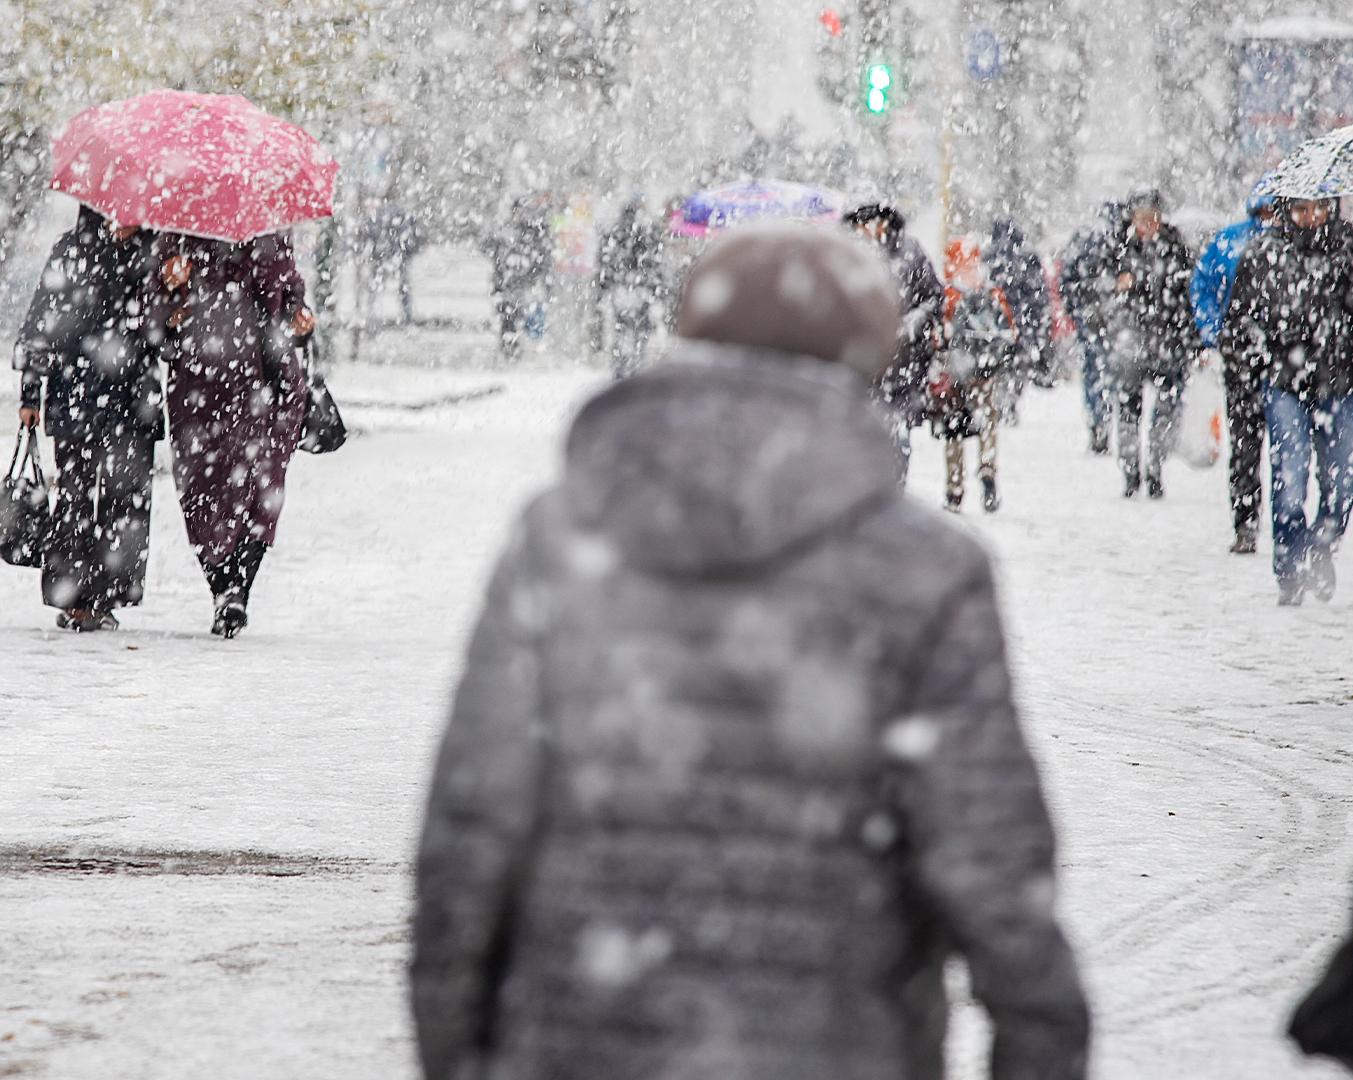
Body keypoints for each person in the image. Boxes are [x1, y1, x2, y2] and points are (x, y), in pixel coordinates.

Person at [410, 224, 1089, 1080]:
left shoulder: (560, 540)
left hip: (577, 1038)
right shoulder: (927, 573)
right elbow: (994, 871)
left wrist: (454, 1046)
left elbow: (471, 830)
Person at [1220, 197, 1353, 605]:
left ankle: (1322, 547)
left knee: (1341, 485)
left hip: (1340, 381)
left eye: (1318, 208)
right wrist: (1263, 353)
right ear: (1286, 209)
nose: (1310, 218)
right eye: (1301, 209)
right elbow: (1240, 317)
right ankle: (1290, 570)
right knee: (1289, 482)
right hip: (1285, 383)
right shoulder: (1264, 252)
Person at [152, 232, 313, 638]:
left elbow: (289, 289)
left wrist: (296, 313)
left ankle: (236, 590)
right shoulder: (178, 233)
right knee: (202, 488)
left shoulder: (269, 229)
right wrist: (171, 291)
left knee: (264, 486)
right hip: (199, 382)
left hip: (265, 379)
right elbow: (155, 311)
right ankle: (222, 586)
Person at [12, 206, 161, 633]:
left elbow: (164, 331)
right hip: (76, 394)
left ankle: (107, 596)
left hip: (131, 400)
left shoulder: (153, 252)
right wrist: (30, 391)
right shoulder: (72, 250)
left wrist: (168, 298)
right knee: (75, 498)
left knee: (124, 504)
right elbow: (41, 320)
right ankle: (75, 597)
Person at [1090, 190, 1195, 499]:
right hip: (1130, 340)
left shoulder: (1176, 249)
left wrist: (1190, 339)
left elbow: (1188, 295)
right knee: (1127, 410)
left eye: (1152, 218)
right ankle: (1130, 470)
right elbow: (1096, 291)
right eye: (1141, 218)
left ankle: (1155, 467)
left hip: (1168, 341)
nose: (1147, 224)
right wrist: (1116, 287)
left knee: (1165, 410)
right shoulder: (1117, 248)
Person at [1191, 188, 1277, 553]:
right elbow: (1202, 288)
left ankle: (1290, 522)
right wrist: (1214, 331)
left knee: (1288, 449)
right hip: (1241, 356)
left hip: (1284, 358)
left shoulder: (1294, 243)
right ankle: (1246, 523)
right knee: (1245, 445)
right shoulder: (1229, 240)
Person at [844, 202, 943, 484]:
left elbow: (933, 296)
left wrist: (913, 322)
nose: (867, 229)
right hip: (858, 368)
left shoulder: (910, 253)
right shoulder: (844, 255)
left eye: (873, 222)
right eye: (860, 223)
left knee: (898, 439)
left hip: (902, 367)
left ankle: (891, 490)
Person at [934, 237, 1018, 512]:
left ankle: (954, 489)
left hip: (956, 371)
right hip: (986, 370)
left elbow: (939, 335)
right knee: (987, 422)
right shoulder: (991, 291)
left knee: (953, 430)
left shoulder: (949, 293)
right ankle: (988, 469)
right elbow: (1009, 331)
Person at [1058, 202, 1126, 454]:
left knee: (1092, 370)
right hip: (1113, 319)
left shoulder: (1083, 236)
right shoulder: (1120, 236)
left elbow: (1066, 278)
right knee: (1111, 370)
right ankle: (1110, 420)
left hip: (1087, 314)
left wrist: (1074, 310)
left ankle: (1097, 422)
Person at [594, 195, 664, 379]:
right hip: (638, 287)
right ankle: (638, 369)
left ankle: (621, 368)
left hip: (622, 287)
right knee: (640, 332)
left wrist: (606, 284)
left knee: (621, 330)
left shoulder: (618, 231)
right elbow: (653, 261)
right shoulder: (645, 231)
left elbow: (606, 260)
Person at [985, 216, 1053, 395]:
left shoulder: (988, 257)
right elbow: (1039, 294)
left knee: (1000, 362)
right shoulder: (1028, 256)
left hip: (999, 322)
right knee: (1017, 362)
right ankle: (1013, 394)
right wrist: (1039, 323)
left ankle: (1003, 397)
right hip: (1024, 319)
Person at [485, 196, 554, 358]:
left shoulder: (524, 231)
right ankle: (508, 346)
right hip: (506, 280)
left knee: (514, 315)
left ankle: (512, 347)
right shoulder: (509, 230)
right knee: (506, 316)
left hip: (516, 280)